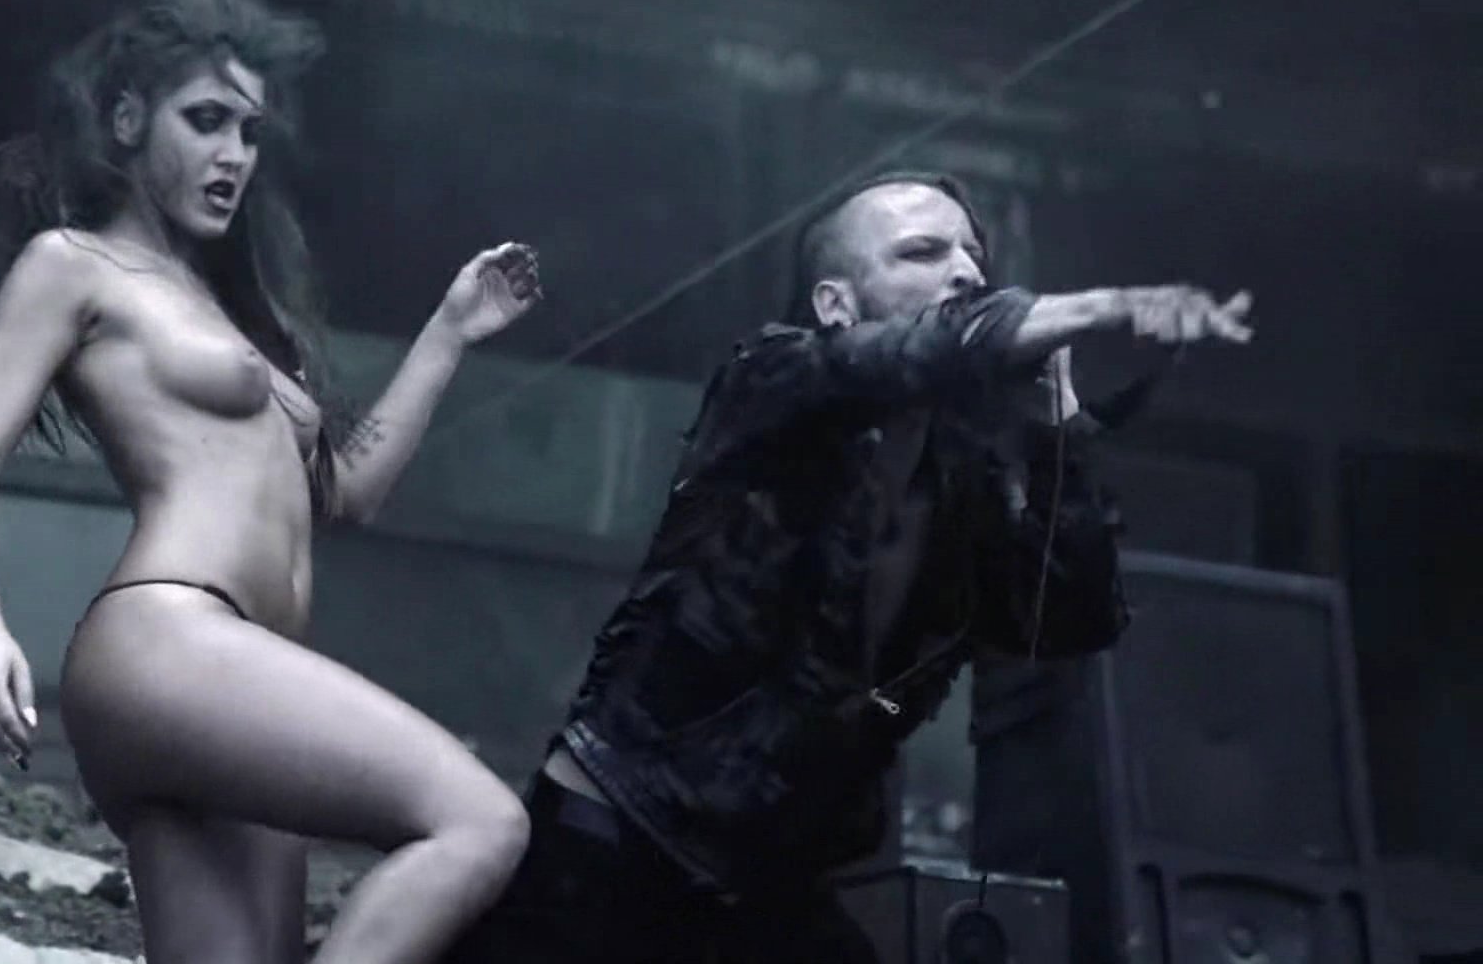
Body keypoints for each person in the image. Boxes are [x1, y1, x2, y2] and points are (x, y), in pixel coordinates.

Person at [444, 171, 1255, 963]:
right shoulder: (774, 376)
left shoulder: (964, 482)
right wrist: (1106, 308)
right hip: (616, 835)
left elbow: (1073, 623)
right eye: (922, 253)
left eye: (973, 256)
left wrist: (1058, 431)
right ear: (836, 304)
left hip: (768, 885)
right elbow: (919, 350)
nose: (965, 273)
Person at [0, 0, 541, 964]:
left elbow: (347, 495)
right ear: (129, 120)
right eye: (206, 120)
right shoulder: (75, 265)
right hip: (168, 646)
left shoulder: (235, 313)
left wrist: (448, 332)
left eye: (250, 132)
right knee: (482, 822)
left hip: (234, 679)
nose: (234, 155)